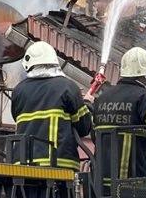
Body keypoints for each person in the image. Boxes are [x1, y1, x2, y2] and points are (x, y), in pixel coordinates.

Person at [92, 47, 146, 181]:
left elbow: (93, 133)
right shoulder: (143, 97)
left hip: (100, 181)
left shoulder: (102, 98)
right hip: (132, 181)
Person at [10, 41, 92, 171]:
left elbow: (18, 119)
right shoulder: (68, 87)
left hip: (22, 164)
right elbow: (84, 127)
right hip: (60, 164)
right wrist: (87, 103)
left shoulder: (18, 91)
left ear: (28, 65)